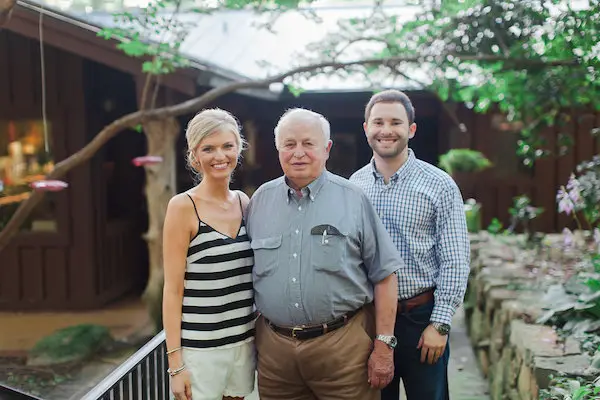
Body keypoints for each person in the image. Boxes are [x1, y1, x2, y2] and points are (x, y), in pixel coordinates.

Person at [245, 108, 403, 400]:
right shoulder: (258, 202)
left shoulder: (354, 199)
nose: (298, 153)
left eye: (309, 144)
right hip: (276, 356)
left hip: (343, 350)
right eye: (289, 144)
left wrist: (383, 345)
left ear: (326, 149)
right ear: (278, 148)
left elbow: (385, 275)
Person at [350, 89, 471, 400]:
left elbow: (455, 259)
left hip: (422, 318)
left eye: (396, 122)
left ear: (411, 129)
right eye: (377, 122)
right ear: (366, 129)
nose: (386, 130)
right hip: (370, 320)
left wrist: (440, 324)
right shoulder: (353, 187)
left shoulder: (439, 184)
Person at [162, 109, 256, 400]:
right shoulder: (182, 207)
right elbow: (173, 289)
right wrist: (176, 365)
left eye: (227, 146)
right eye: (208, 148)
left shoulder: (244, 202)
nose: (220, 155)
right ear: (194, 156)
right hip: (200, 352)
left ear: (238, 149)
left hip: (245, 344)